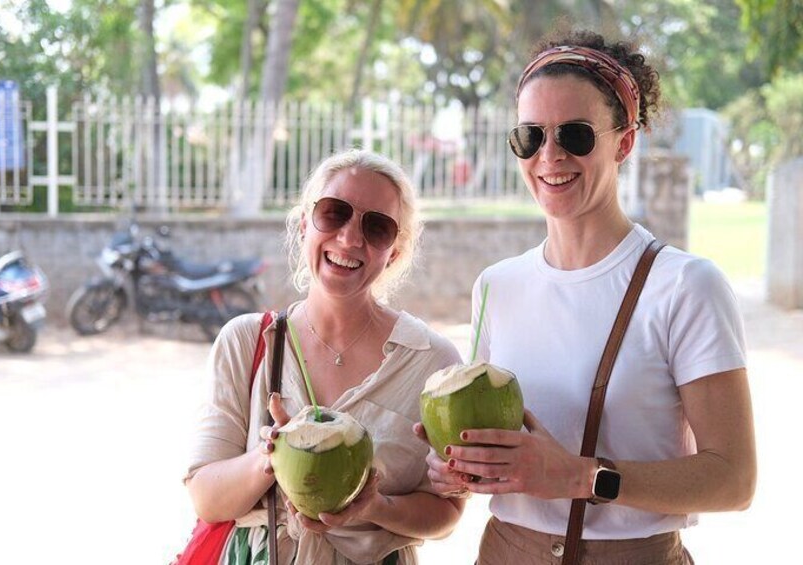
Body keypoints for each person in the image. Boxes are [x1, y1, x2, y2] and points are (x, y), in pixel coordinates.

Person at [418, 30, 757, 563]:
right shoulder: (497, 285)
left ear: (624, 141)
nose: (549, 156)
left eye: (575, 135)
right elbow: (498, 453)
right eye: (530, 136)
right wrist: (458, 469)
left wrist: (581, 475)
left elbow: (733, 480)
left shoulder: (685, 286)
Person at [184, 149, 464, 564]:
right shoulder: (248, 341)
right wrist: (273, 454)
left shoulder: (432, 362)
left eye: (378, 227)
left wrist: (373, 507)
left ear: (396, 253)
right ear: (304, 225)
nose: (350, 239)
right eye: (334, 213)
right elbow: (206, 497)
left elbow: (447, 514)